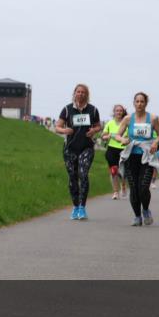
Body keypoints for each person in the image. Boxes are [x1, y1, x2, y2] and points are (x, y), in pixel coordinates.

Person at [115, 92, 159, 227]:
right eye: (137, 101)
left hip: (147, 156)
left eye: (142, 101)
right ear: (134, 103)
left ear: (146, 103)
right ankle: (137, 216)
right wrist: (123, 139)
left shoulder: (153, 118)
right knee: (134, 188)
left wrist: (155, 142)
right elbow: (117, 135)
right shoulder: (127, 119)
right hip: (131, 156)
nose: (139, 104)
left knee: (143, 188)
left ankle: (146, 210)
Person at [55, 85, 102, 220]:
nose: (80, 94)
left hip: (86, 147)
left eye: (83, 92)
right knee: (73, 177)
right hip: (70, 148)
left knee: (83, 174)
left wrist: (94, 130)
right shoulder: (67, 109)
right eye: (78, 92)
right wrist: (65, 130)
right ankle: (75, 206)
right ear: (74, 93)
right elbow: (58, 127)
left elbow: (98, 126)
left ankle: (82, 207)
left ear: (87, 95)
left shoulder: (93, 110)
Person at [101, 104, 128, 200]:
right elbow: (103, 136)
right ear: (114, 112)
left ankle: (123, 185)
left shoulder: (126, 123)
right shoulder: (109, 123)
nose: (119, 112)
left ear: (123, 112)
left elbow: (130, 136)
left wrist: (126, 138)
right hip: (111, 149)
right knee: (113, 171)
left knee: (123, 172)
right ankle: (116, 192)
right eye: (117, 110)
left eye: (121, 110)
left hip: (124, 150)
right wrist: (108, 136)